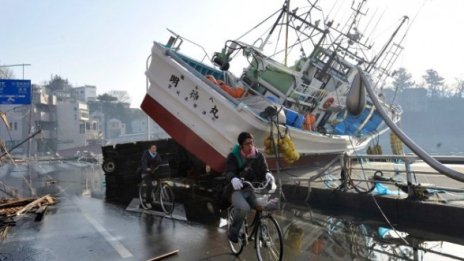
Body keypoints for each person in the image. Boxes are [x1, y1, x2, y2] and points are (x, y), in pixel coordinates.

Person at [225, 131, 276, 243]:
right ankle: (233, 232)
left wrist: (267, 174)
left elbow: (264, 169)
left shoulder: (258, 155)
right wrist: (233, 178)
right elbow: (229, 171)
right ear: (241, 145)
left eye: (252, 143)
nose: (251, 145)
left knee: (264, 206)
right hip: (236, 190)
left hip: (252, 189)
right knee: (244, 208)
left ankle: (262, 232)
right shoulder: (233, 156)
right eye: (247, 143)